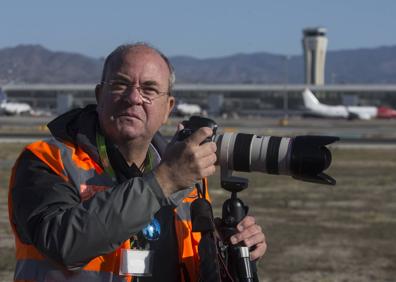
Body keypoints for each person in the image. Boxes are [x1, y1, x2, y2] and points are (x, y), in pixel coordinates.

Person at [8, 43, 267, 282]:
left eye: (149, 89)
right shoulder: (47, 159)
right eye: (120, 84)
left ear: (168, 107)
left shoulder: (187, 177)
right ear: (99, 95)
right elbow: (63, 244)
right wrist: (164, 181)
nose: (133, 97)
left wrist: (227, 250)